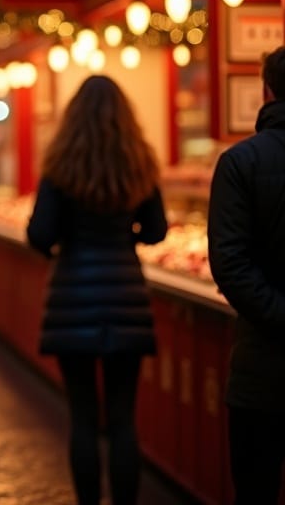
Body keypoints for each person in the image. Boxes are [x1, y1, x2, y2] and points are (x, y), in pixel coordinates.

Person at [26, 74, 167, 505]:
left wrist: (68, 240)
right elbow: (158, 230)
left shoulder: (60, 168)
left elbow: (39, 234)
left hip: (72, 299)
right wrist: (127, 236)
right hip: (126, 295)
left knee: (83, 419)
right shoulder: (139, 162)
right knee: (124, 420)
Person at [209, 45, 285, 505]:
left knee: (255, 490)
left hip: (262, 369)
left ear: (266, 91)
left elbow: (231, 265)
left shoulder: (240, 163)